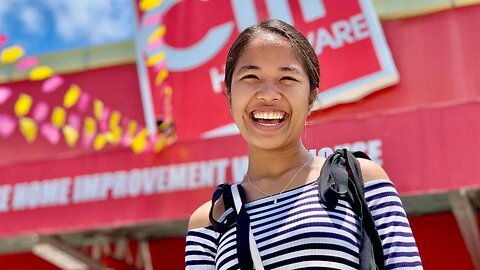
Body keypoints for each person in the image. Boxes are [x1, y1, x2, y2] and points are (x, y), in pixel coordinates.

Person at [185, 19, 422, 269]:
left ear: (312, 98)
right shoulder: (210, 219)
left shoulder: (359, 179)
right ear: (229, 95)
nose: (268, 93)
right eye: (251, 76)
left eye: (287, 78)